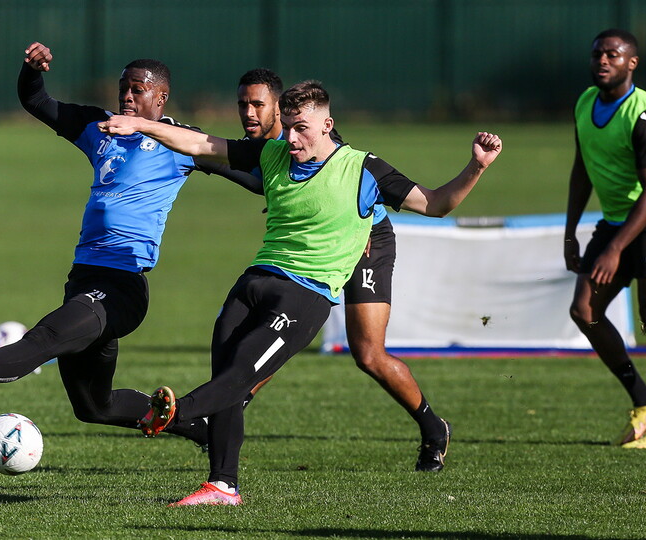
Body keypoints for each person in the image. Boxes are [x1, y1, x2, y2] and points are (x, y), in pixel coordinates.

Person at [101, 80, 502, 505]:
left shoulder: (362, 169)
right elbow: (201, 144)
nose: (290, 137)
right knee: (237, 368)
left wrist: (476, 166)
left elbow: (437, 204)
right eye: (286, 126)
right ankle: (220, 478)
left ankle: (432, 427)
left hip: (361, 247)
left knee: (367, 354)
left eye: (300, 128)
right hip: (268, 273)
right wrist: (141, 125)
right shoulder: (273, 152)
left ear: (327, 125)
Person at [0, 42, 243, 446]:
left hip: (122, 286)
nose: (127, 96)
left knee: (45, 339)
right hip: (83, 278)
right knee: (93, 406)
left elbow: (251, 171)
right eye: (123, 89)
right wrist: (33, 70)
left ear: (161, 97)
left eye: (137, 90)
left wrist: (282, 189)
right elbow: (37, 101)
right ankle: (199, 428)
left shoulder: (183, 141)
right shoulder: (99, 127)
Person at [231, 68, 453, 472]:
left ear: (278, 109)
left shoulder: (304, 133)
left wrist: (355, 227)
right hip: (314, 249)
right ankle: (225, 410)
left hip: (367, 241)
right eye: (243, 104)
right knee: (275, 335)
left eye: (258, 105)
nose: (249, 113)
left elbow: (347, 178)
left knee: (368, 354)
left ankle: (433, 427)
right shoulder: (265, 148)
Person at [565, 29, 646, 449]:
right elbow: (582, 169)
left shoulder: (644, 115)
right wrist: (570, 232)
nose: (603, 61)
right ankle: (643, 400)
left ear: (631, 63)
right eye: (597, 54)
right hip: (615, 220)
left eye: (613, 55)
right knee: (584, 310)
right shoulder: (585, 103)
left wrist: (615, 250)